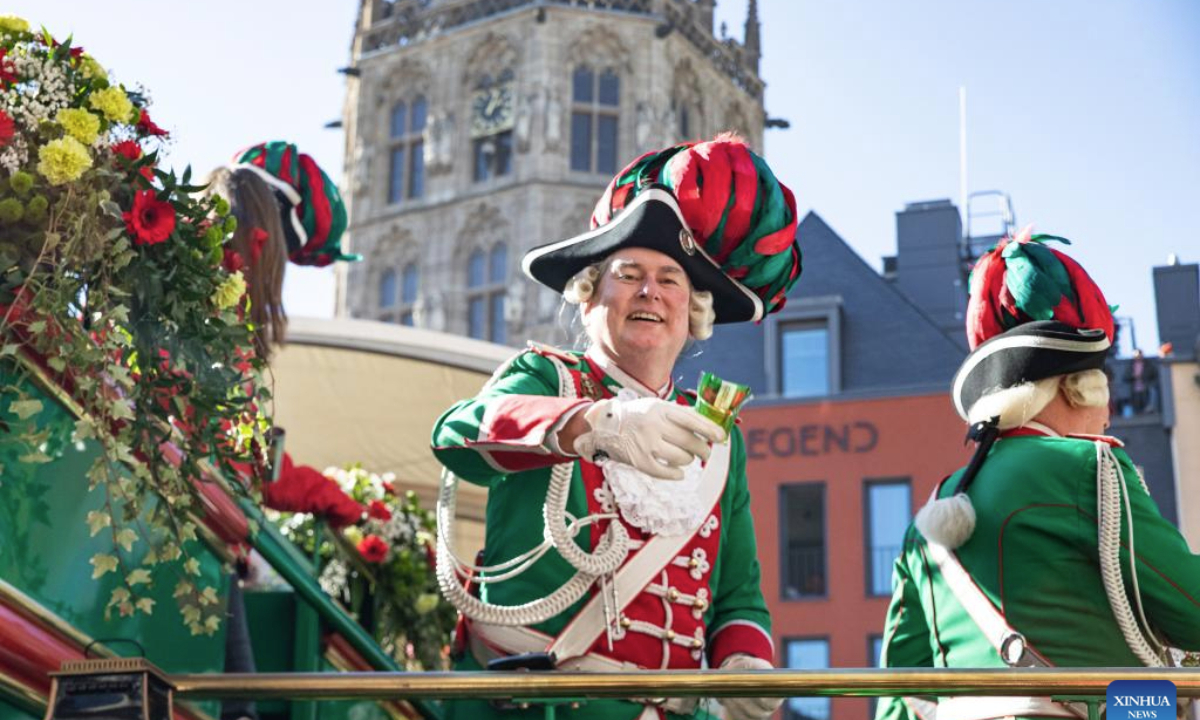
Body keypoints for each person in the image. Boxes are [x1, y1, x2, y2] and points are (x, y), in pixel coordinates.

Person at [431, 134, 802, 720]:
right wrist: (593, 425)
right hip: (537, 709)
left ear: (695, 314)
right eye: (628, 274)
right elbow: (456, 436)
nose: (650, 291)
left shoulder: (720, 439)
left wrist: (744, 666)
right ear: (587, 297)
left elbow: (739, 598)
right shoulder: (546, 380)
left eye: (670, 279)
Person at [875, 230, 1200, 720]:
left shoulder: (928, 519)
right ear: (1078, 390)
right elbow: (1190, 609)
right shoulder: (1087, 468)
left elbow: (898, 695)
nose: (1109, 418)